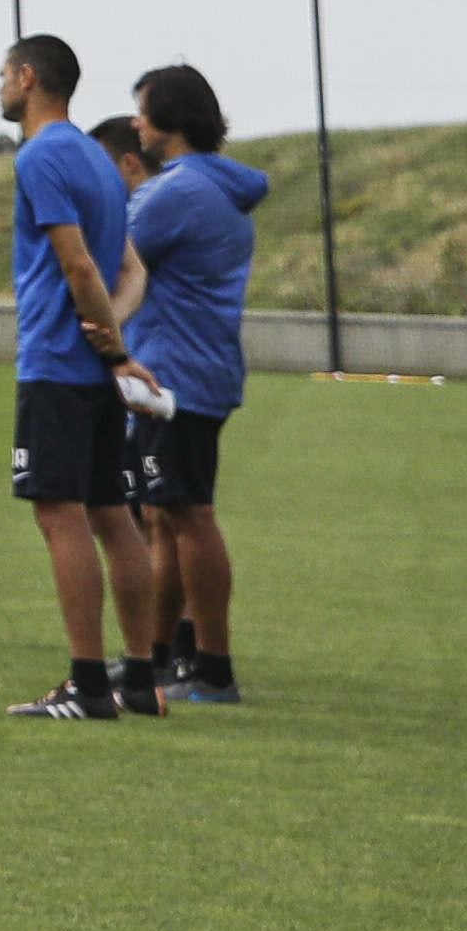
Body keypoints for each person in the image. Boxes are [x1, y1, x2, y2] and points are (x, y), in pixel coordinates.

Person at [0, 28, 157, 720]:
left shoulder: (41, 156)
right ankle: (141, 681)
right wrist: (114, 334)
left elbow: (79, 265)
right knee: (113, 515)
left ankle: (89, 686)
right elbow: (133, 270)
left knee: (59, 515)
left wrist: (111, 347)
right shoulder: (97, 158)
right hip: (92, 374)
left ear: (28, 78)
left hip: (57, 366)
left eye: (3, 74)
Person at [122, 62, 269, 707]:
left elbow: (102, 256)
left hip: (173, 374)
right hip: (196, 367)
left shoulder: (177, 190)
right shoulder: (213, 185)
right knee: (165, 514)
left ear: (172, 120)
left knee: (187, 514)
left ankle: (211, 668)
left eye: (143, 110)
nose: (136, 123)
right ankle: (167, 658)